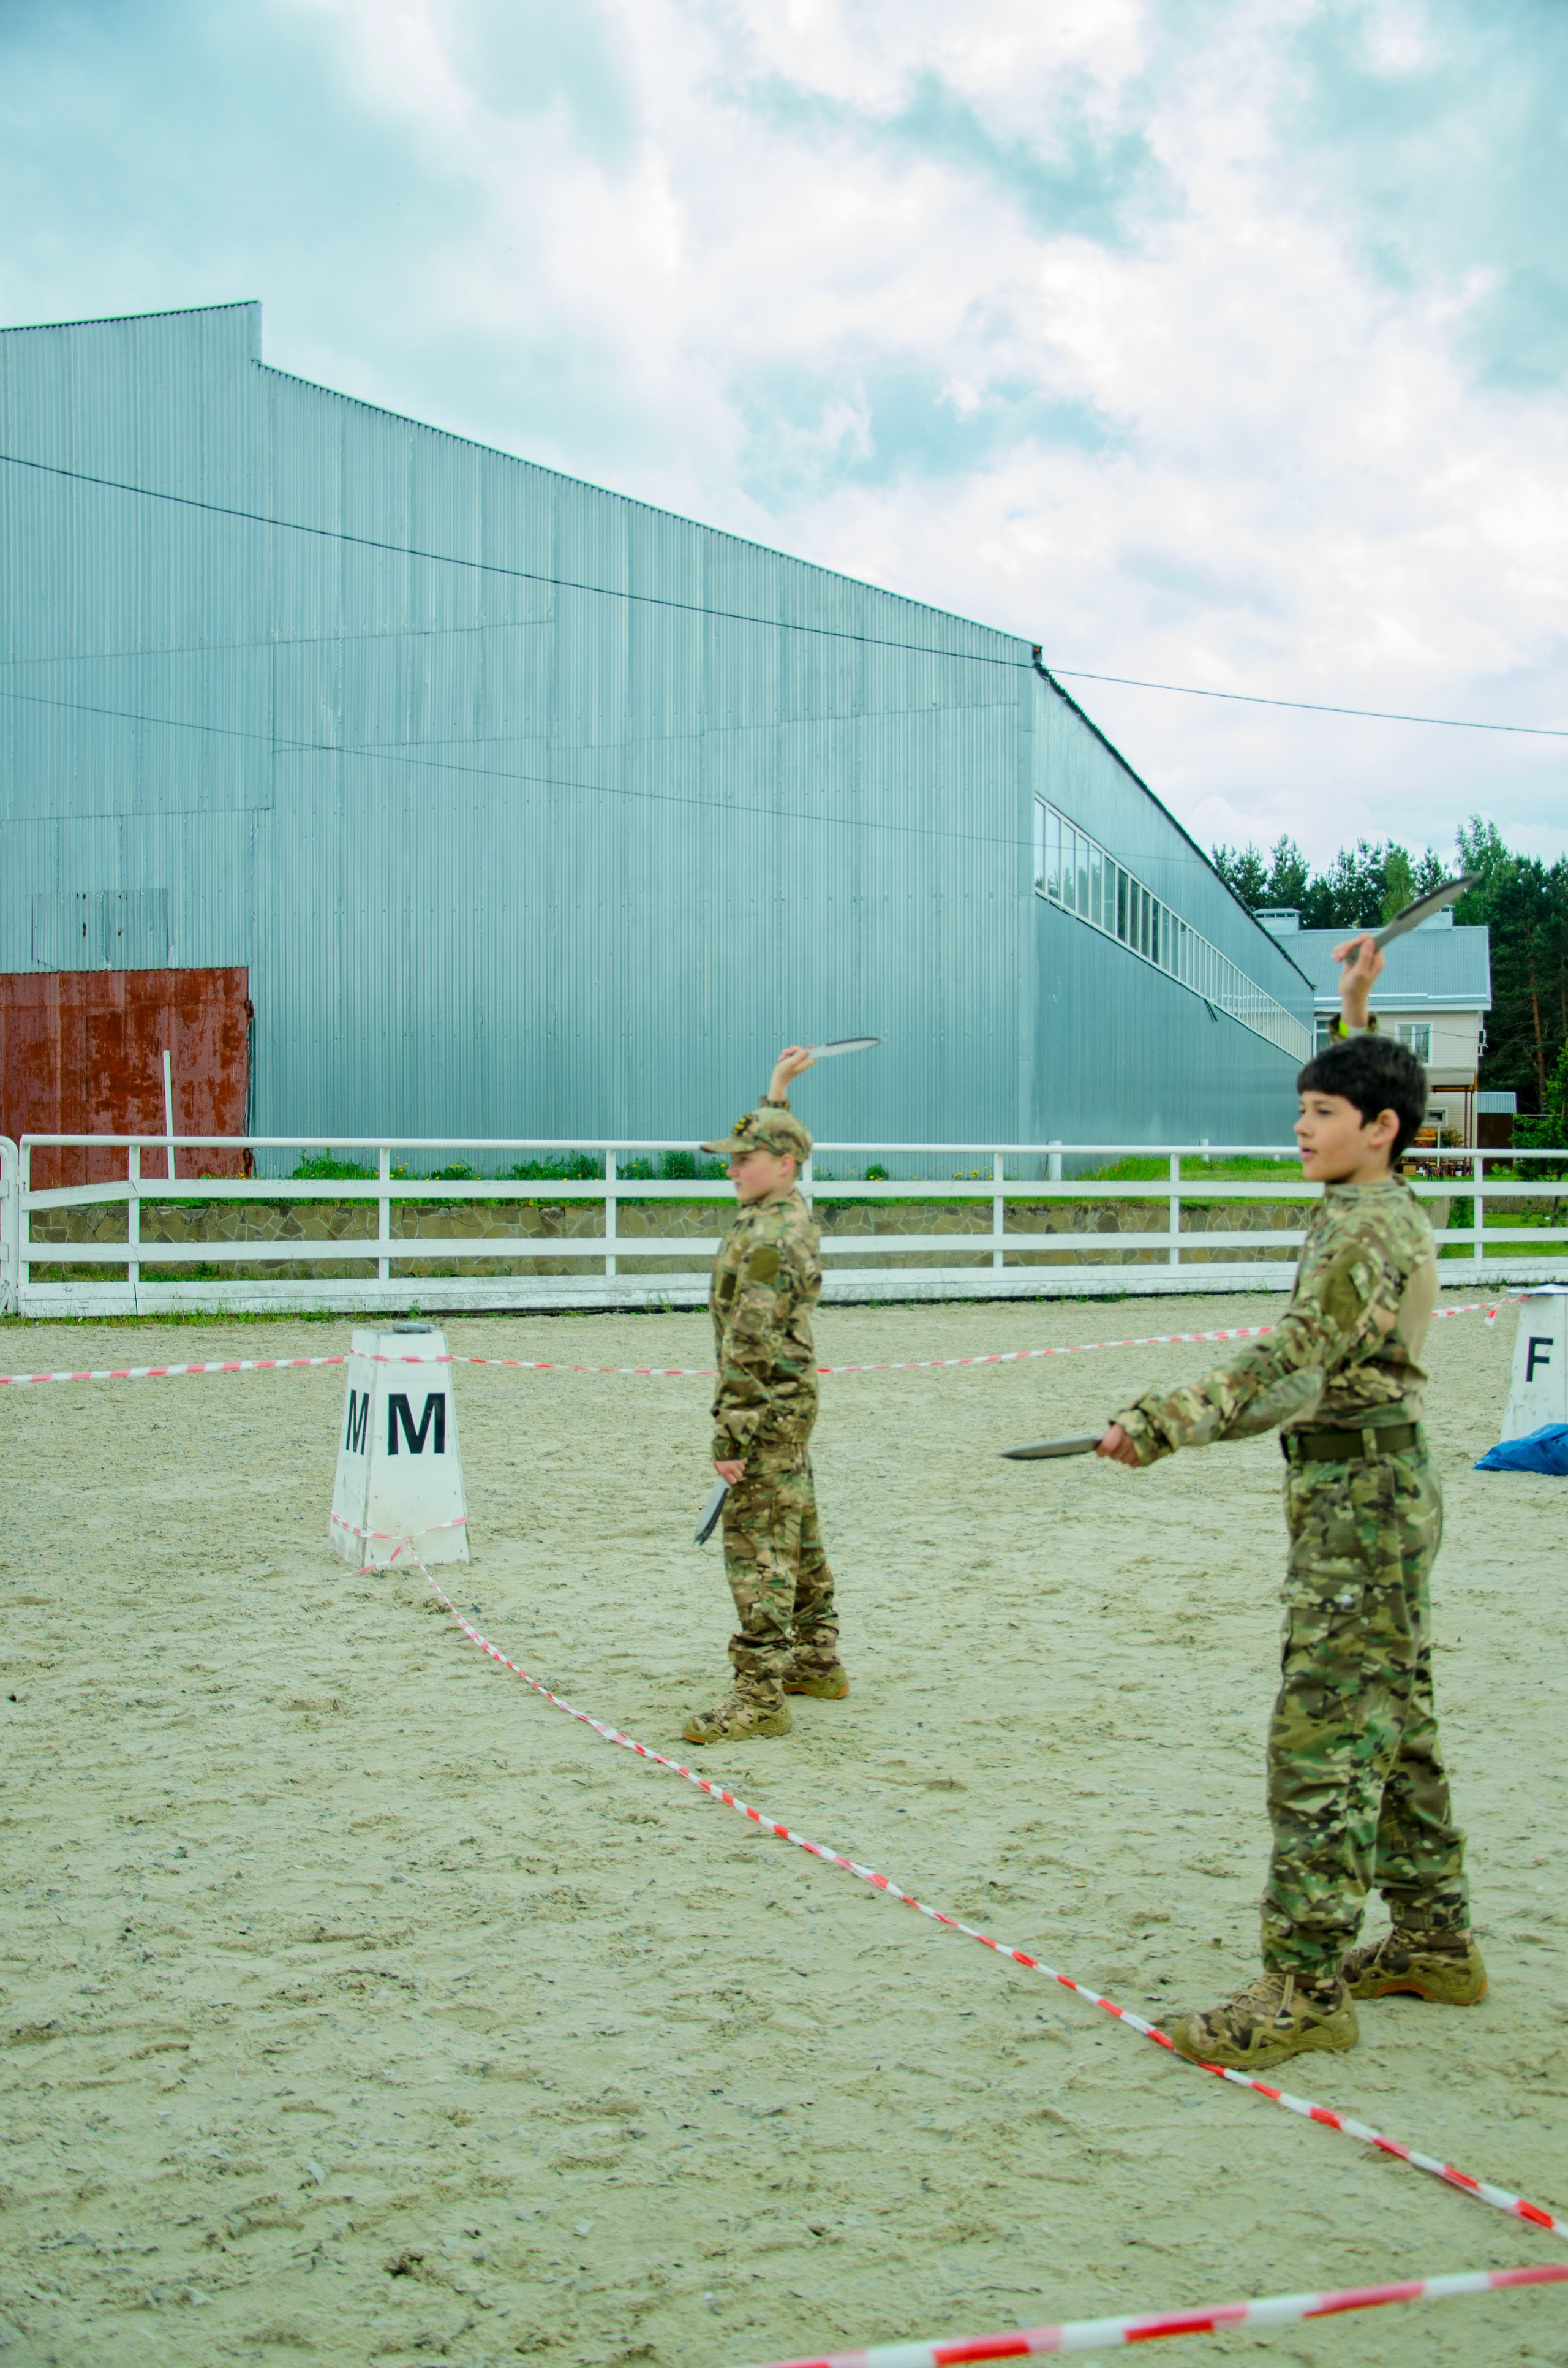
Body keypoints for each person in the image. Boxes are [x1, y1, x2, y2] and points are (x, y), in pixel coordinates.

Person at [1095, 931, 1485, 2071]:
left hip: (1361, 1495)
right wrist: (1356, 1006)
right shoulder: (1386, 1197)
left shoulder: (1364, 1228)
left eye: (1325, 1112)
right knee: (1394, 1715)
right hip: (1374, 1484)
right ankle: (1432, 1937)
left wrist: (1160, 1422)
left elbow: (1291, 1361)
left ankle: (1305, 1987)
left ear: (1382, 1133)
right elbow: (1378, 1093)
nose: (1304, 1126)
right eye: (1303, 1108)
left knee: (1324, 1733)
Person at [680, 1046, 846, 1746]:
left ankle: (761, 1694)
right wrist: (776, 1093)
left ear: (780, 1165)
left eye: (742, 1158)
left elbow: (749, 1343)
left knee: (759, 1548)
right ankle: (816, 1657)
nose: (731, 1167)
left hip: (765, 1407)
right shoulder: (786, 1206)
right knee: (797, 1527)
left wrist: (731, 1437)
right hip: (790, 1402)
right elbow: (779, 1140)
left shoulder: (769, 1241)